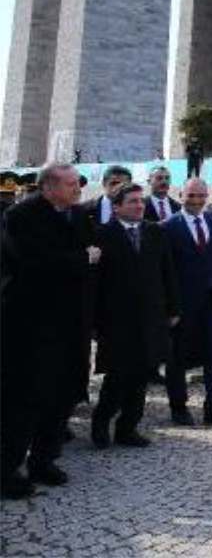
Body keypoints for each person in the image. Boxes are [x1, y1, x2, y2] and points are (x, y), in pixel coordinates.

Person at [0, 164, 100, 498]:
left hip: (72, 325)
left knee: (63, 395)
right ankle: (7, 469)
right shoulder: (22, 216)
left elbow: (89, 257)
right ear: (48, 187)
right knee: (25, 400)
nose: (78, 189)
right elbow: (37, 262)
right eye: (71, 184)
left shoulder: (79, 215)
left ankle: (45, 460)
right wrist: (82, 258)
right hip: (33, 327)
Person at [91, 184, 179, 449]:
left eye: (141, 201)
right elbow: (94, 284)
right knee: (117, 377)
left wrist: (173, 309)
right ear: (116, 206)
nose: (139, 205)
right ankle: (100, 423)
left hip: (150, 318)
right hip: (116, 321)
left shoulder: (155, 232)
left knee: (141, 376)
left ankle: (128, 428)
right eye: (132, 201)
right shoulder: (101, 234)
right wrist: (95, 321)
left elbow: (168, 272)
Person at [164, 178, 212, 428]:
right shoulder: (168, 226)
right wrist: (170, 307)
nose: (196, 200)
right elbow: (166, 271)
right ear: (181, 194)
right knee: (178, 358)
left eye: (201, 195)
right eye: (191, 195)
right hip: (183, 305)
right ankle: (178, 407)